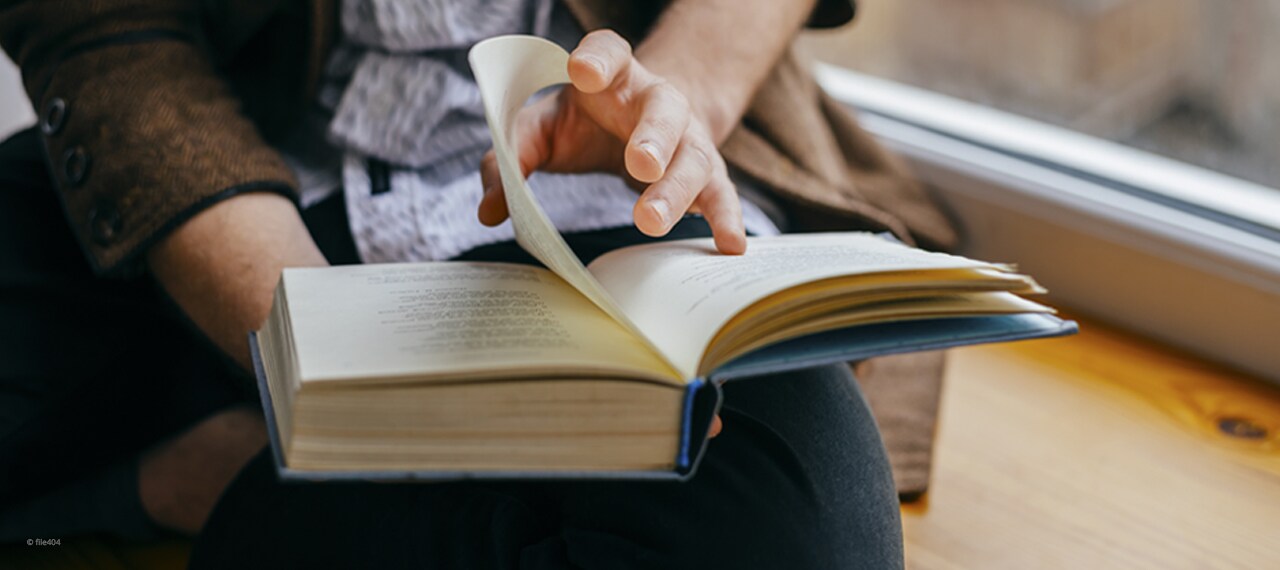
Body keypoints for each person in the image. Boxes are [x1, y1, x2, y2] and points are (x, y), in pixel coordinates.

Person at [0, 0, 956, 567]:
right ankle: (285, 480)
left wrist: (673, 106)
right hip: (239, 182)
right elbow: (106, 27)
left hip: (587, 189)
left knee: (790, 534)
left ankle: (224, 483)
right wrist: (326, 361)